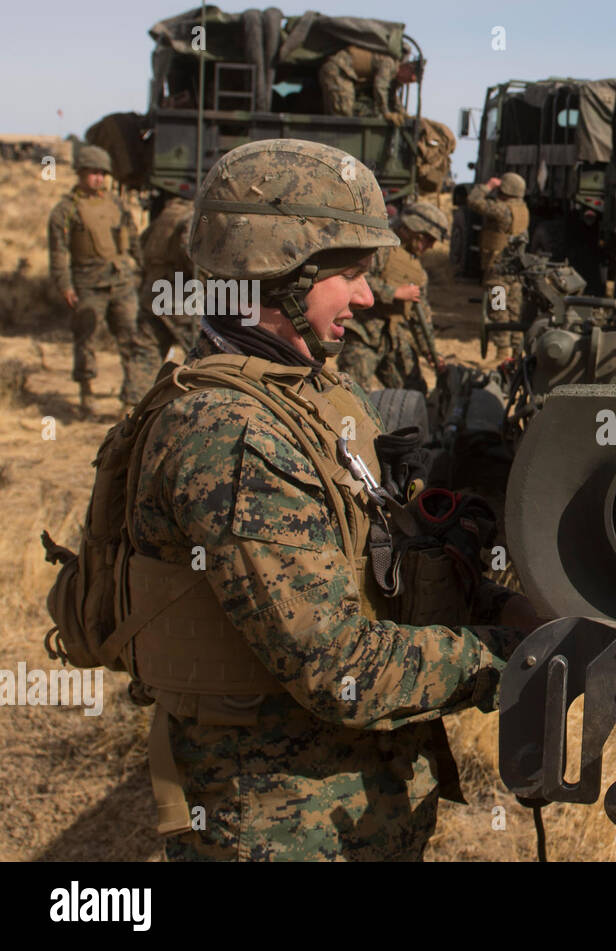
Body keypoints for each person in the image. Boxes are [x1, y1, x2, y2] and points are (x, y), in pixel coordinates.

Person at [126, 139, 536, 861]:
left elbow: (394, 556)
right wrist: (521, 655)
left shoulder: (313, 391)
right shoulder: (229, 435)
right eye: (348, 272)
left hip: (355, 806)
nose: (367, 296)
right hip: (279, 827)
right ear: (274, 269)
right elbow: (341, 667)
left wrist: (498, 599)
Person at [47, 144, 153, 414]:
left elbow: (131, 238)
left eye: (102, 173)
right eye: (93, 173)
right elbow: (58, 253)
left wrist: (142, 269)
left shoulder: (116, 204)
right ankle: (86, 392)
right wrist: (65, 285)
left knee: (131, 338)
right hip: (87, 283)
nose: (98, 178)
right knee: (86, 339)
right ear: (80, 173)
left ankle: (131, 398)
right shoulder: (65, 211)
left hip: (120, 281)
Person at [338, 201, 448, 393]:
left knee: (414, 393)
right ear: (414, 231)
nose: (430, 247)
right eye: (428, 240)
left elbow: (421, 315)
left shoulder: (418, 270)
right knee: (353, 394)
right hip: (363, 333)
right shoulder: (377, 246)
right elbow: (353, 276)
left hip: (394, 338)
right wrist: (394, 293)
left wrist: (429, 351)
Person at [467, 173, 530, 362]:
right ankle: (518, 353)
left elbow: (473, 201)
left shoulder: (501, 210)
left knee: (498, 310)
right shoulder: (523, 209)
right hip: (515, 272)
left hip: (498, 272)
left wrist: (488, 186)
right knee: (514, 313)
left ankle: (502, 354)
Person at [138, 194, 198, 366]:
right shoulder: (194, 216)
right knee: (203, 359)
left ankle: (137, 394)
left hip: (152, 292)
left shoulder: (169, 212)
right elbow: (192, 258)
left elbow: (142, 244)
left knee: (144, 357)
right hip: (179, 298)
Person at [318, 46, 420, 120]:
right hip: (338, 69)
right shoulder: (389, 63)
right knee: (343, 111)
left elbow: (392, 96)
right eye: (410, 79)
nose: (407, 82)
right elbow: (380, 87)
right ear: (407, 68)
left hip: (344, 72)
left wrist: (402, 113)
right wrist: (386, 113)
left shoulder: (394, 75)